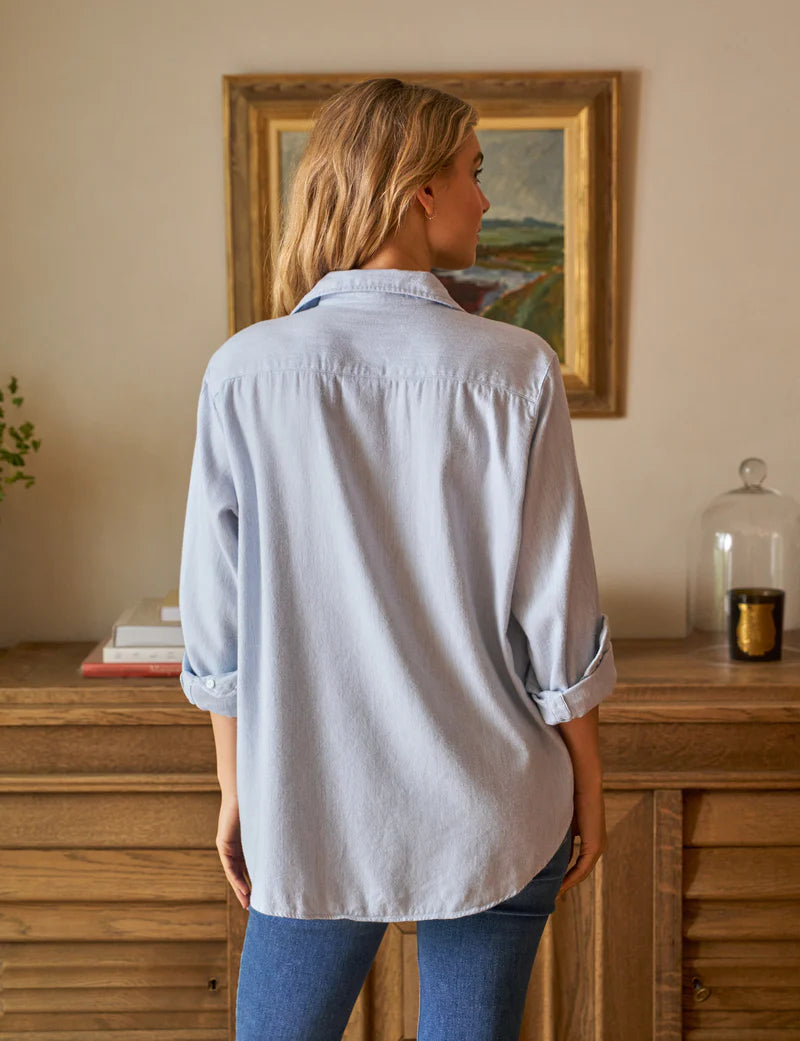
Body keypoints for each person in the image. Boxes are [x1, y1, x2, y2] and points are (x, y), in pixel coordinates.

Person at [178, 76, 617, 1041]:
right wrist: (588, 776)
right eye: (474, 172)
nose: (485, 198)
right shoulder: (513, 368)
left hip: (311, 800)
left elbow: (219, 627)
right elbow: (556, 612)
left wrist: (237, 789)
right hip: (496, 796)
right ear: (419, 190)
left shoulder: (245, 370)